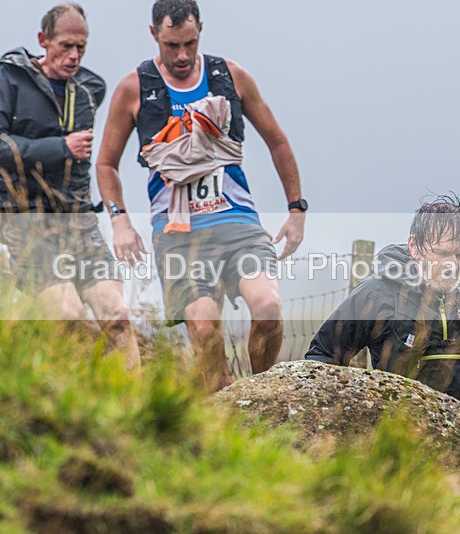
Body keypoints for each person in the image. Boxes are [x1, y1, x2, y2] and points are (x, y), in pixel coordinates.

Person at [96, 0, 306, 391]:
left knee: (268, 308)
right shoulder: (135, 88)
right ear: (154, 34)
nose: (182, 55)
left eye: (189, 43)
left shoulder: (232, 76)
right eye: (171, 45)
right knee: (205, 328)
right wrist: (119, 218)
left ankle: (263, 394)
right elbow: (106, 163)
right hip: (179, 234)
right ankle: (222, 406)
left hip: (238, 223)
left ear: (201, 31)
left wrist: (297, 209)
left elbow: (277, 141)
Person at [0, 3, 141, 371]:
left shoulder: (90, 88)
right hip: (23, 217)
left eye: (81, 46)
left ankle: (134, 413)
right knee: (67, 314)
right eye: (65, 46)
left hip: (77, 220)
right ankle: (60, 395)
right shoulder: (10, 78)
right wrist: (60, 147)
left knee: (118, 317)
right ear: (42, 40)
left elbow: (82, 164)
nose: (74, 55)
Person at [305, 195, 460, 426]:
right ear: (415, 247)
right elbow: (323, 355)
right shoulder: (377, 293)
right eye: (441, 253)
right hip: (399, 432)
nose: (452, 265)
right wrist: (342, 421)